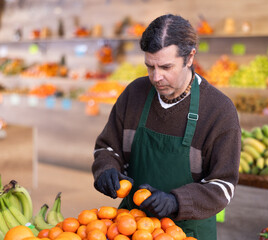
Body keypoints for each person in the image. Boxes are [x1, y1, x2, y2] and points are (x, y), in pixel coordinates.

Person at [92, 14, 241, 240]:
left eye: (166, 67)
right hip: (130, 228)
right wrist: (106, 170)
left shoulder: (219, 111)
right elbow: (107, 148)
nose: (156, 77)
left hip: (188, 232)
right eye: (150, 67)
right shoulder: (135, 94)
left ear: (190, 57)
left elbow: (223, 185)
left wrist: (176, 201)